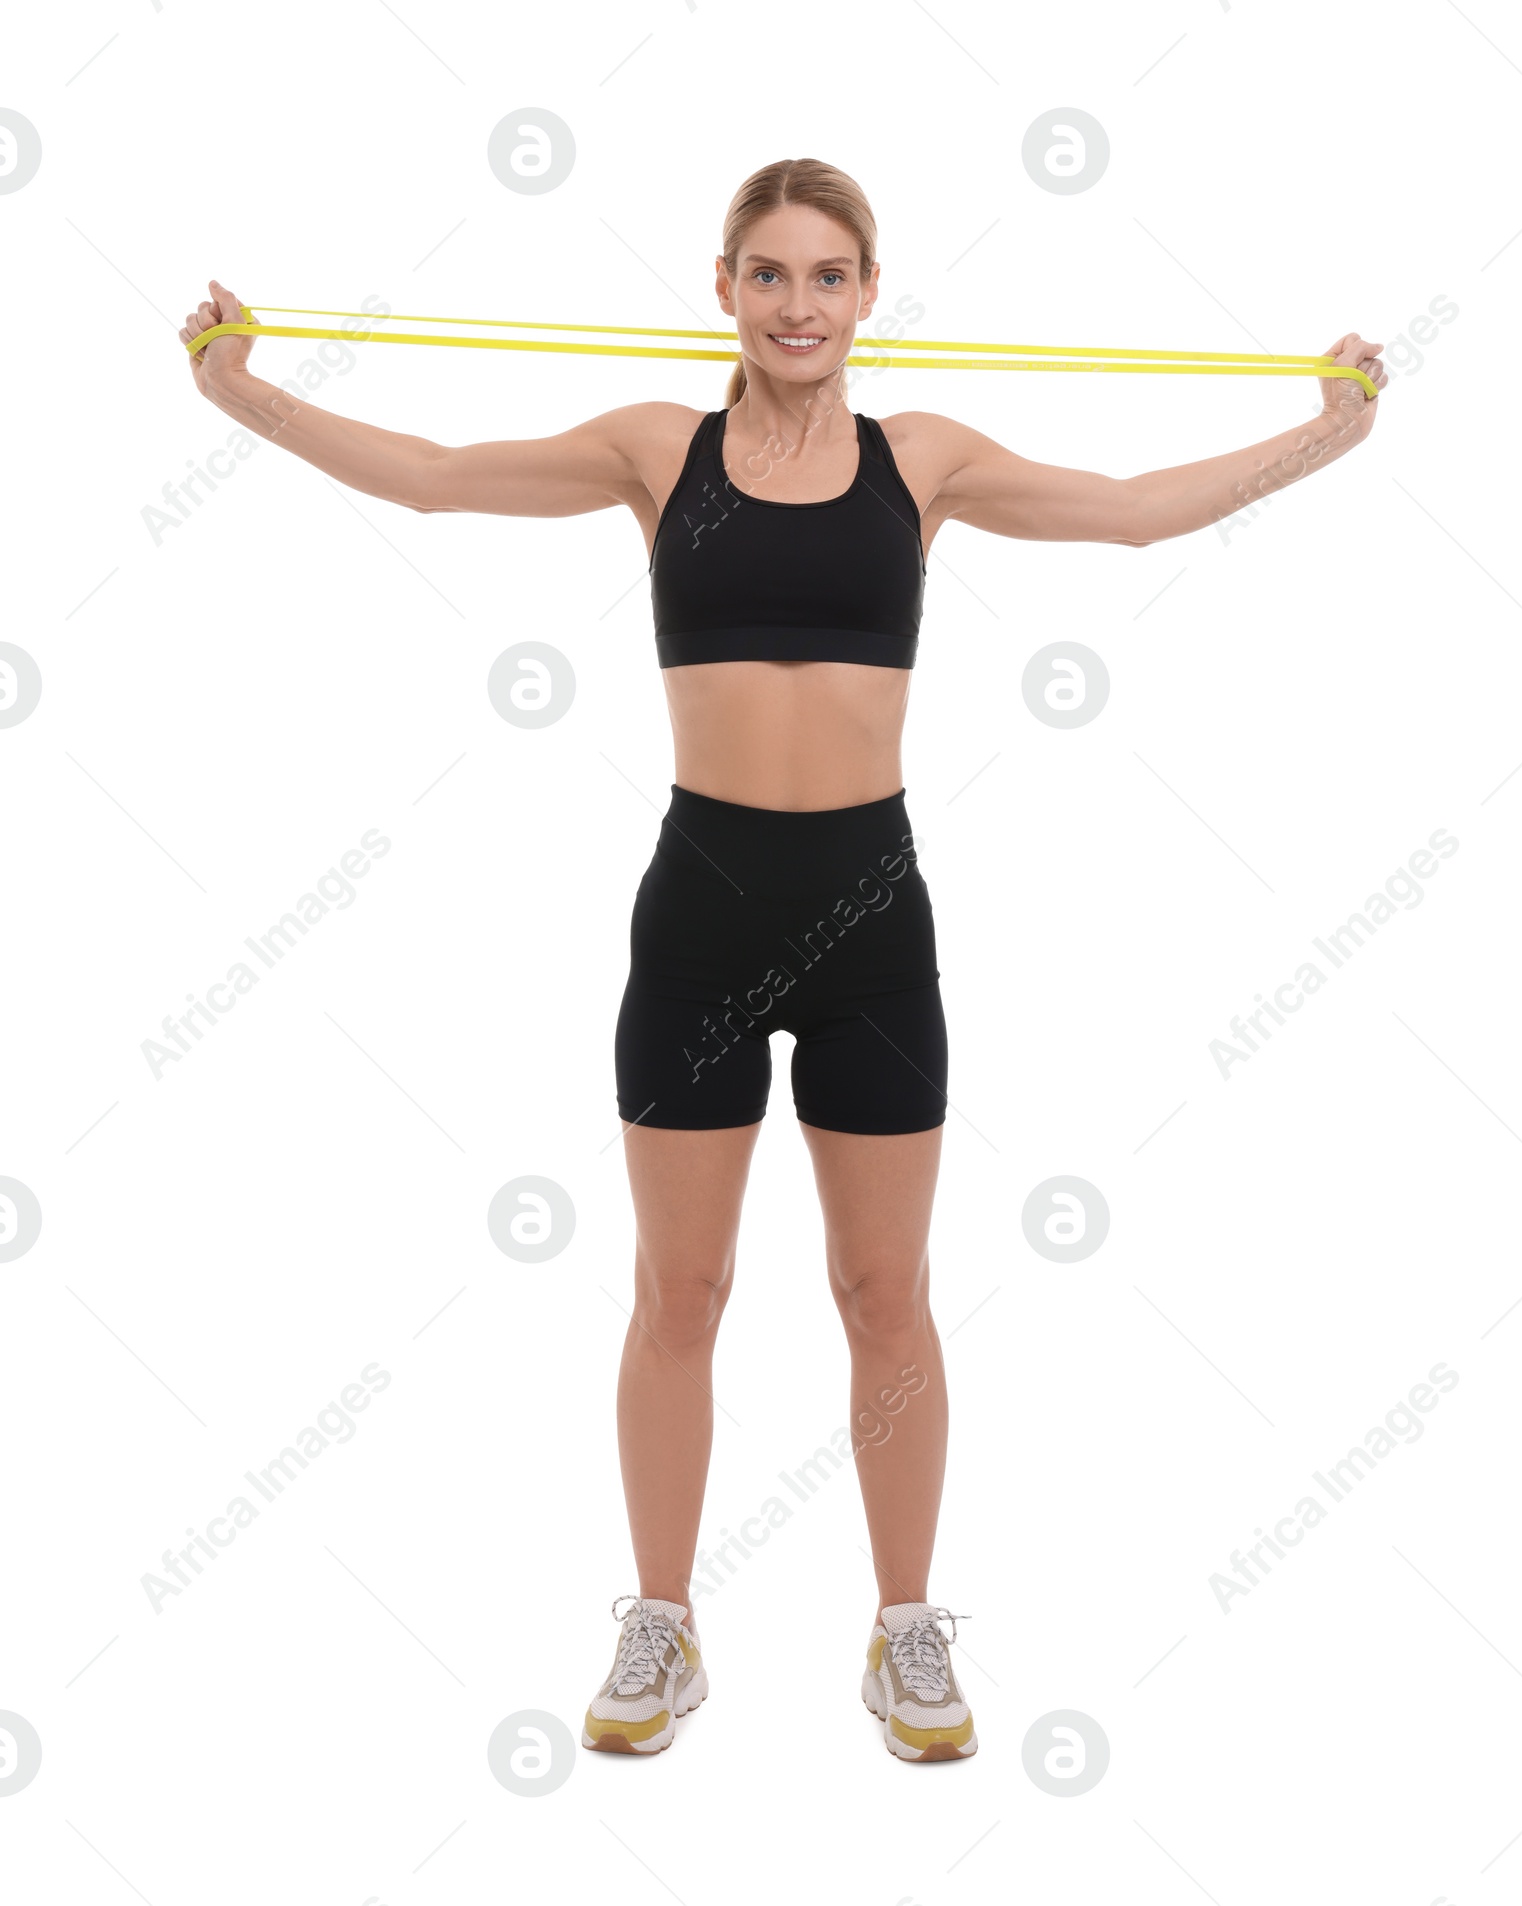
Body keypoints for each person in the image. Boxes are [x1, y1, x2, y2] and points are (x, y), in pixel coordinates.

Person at [180, 156, 1385, 1765]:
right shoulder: (652, 452)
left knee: (887, 1294)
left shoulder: (927, 461)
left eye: (828, 276)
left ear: (870, 293)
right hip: (702, 914)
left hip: (872, 917)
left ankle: (906, 1635)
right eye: (769, 274)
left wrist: (1329, 430)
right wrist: (238, 390)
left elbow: (1130, 509)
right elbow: (433, 473)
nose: (798, 304)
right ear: (726, 289)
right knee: (680, 1290)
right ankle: (661, 1624)